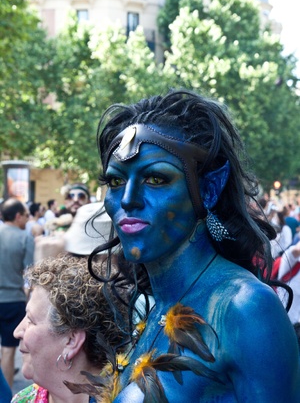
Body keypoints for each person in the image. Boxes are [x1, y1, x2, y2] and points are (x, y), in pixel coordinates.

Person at [89, 89, 300, 402]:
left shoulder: (244, 308)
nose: (128, 199)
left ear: (210, 188)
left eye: (156, 179)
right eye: (116, 181)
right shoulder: (150, 307)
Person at [12, 254, 130, 403]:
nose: (17, 332)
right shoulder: (23, 399)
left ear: (71, 340)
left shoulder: (131, 399)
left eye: (30, 320)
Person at [0, 198, 34, 390]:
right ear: (18, 216)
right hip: (13, 301)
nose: (28, 220)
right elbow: (28, 275)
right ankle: (4, 398)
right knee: (8, 351)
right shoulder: (24, 238)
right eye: (26, 216)